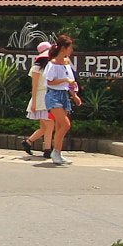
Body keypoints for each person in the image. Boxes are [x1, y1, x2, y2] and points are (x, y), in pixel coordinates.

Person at [40, 37, 82, 166]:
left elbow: (70, 81)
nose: (72, 50)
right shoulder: (52, 63)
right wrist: (65, 81)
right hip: (53, 96)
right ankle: (55, 152)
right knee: (65, 124)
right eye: (70, 47)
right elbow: (50, 82)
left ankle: (58, 152)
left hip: (64, 95)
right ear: (63, 48)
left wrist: (74, 95)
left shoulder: (67, 62)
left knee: (60, 126)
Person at [22, 40, 53, 157]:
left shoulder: (48, 67)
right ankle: (47, 149)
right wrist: (34, 102)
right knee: (49, 125)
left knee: (45, 126)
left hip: (45, 96)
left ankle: (28, 142)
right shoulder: (36, 68)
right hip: (41, 97)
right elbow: (34, 87)